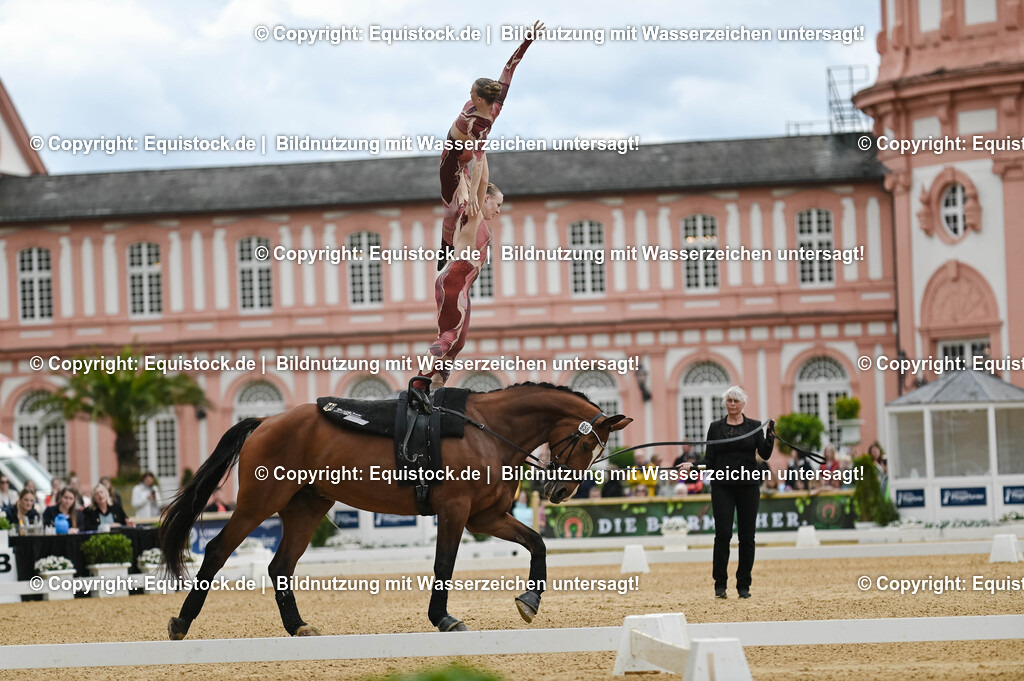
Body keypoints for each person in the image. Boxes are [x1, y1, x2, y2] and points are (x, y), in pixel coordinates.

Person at [438, 21, 542, 269]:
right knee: (452, 213)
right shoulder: (496, 100)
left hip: (460, 159)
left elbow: (479, 159)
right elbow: (510, 67)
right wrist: (527, 41)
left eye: (472, 94)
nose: (469, 96)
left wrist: (474, 196)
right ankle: (447, 255)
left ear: (481, 100)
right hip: (453, 160)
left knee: (470, 201)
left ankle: (460, 253)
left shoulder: (478, 123)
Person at [679, 386, 775, 599]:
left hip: (748, 486)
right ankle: (720, 584)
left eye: (736, 401)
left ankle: (744, 585)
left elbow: (765, 454)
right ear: (725, 403)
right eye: (729, 400)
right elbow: (710, 459)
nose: (732, 404)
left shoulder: (754, 426)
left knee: (747, 537)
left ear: (743, 404)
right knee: (723, 534)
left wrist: (770, 437)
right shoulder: (715, 428)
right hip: (723, 486)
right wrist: (693, 466)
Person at [417, 184, 504, 389]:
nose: (498, 210)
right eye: (497, 204)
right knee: (449, 338)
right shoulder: (473, 214)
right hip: (455, 282)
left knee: (457, 343)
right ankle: (418, 387)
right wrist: (480, 153)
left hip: (458, 284)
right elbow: (480, 178)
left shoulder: (473, 217)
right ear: (485, 198)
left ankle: (434, 389)